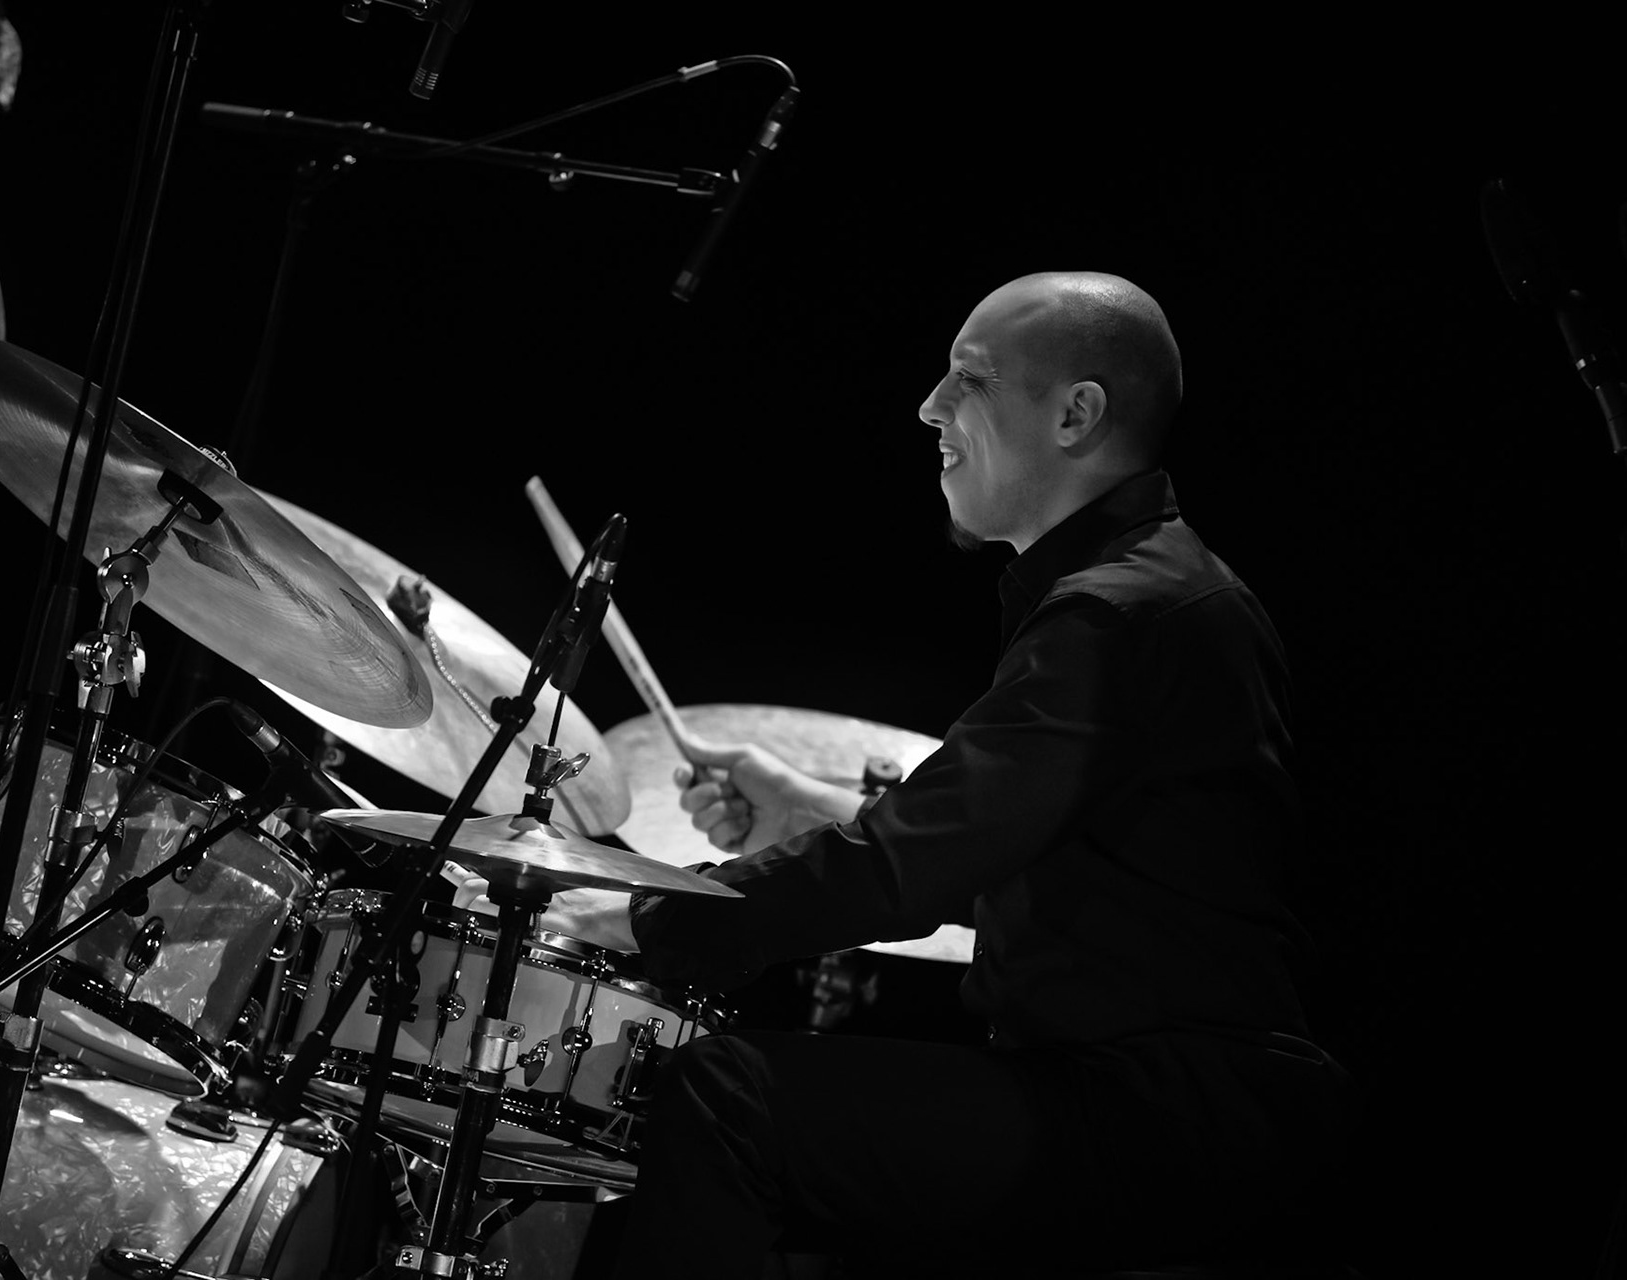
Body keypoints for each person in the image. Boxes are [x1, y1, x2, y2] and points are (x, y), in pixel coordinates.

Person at [532, 270, 1360, 1275]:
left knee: (727, 1096)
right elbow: (1010, 857)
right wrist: (810, 806)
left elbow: (907, 866)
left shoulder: (1120, 613)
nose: (929, 405)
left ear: (1076, 413)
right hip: (1165, 1100)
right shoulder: (1157, 589)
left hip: (1160, 1113)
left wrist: (651, 916)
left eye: (968, 378)